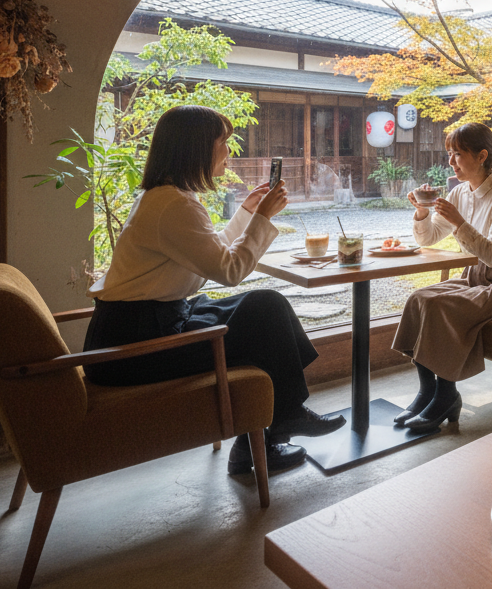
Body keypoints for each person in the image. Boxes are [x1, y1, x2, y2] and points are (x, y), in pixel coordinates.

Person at [85, 105, 344, 476]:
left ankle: (270, 430)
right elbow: (230, 270)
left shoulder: (167, 197)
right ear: (197, 148)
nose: (228, 151)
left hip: (142, 327)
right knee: (263, 310)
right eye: (223, 142)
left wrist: (246, 213)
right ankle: (279, 422)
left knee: (265, 309)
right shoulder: (173, 205)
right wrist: (263, 218)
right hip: (136, 347)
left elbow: (210, 255)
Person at [392, 123, 492, 430]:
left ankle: (446, 394)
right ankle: (428, 391)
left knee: (442, 306)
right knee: (420, 298)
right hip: (476, 276)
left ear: (482, 156)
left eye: (457, 154)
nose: (451, 162)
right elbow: (427, 239)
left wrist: (458, 223)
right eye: (449, 154)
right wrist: (422, 213)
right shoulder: (457, 193)